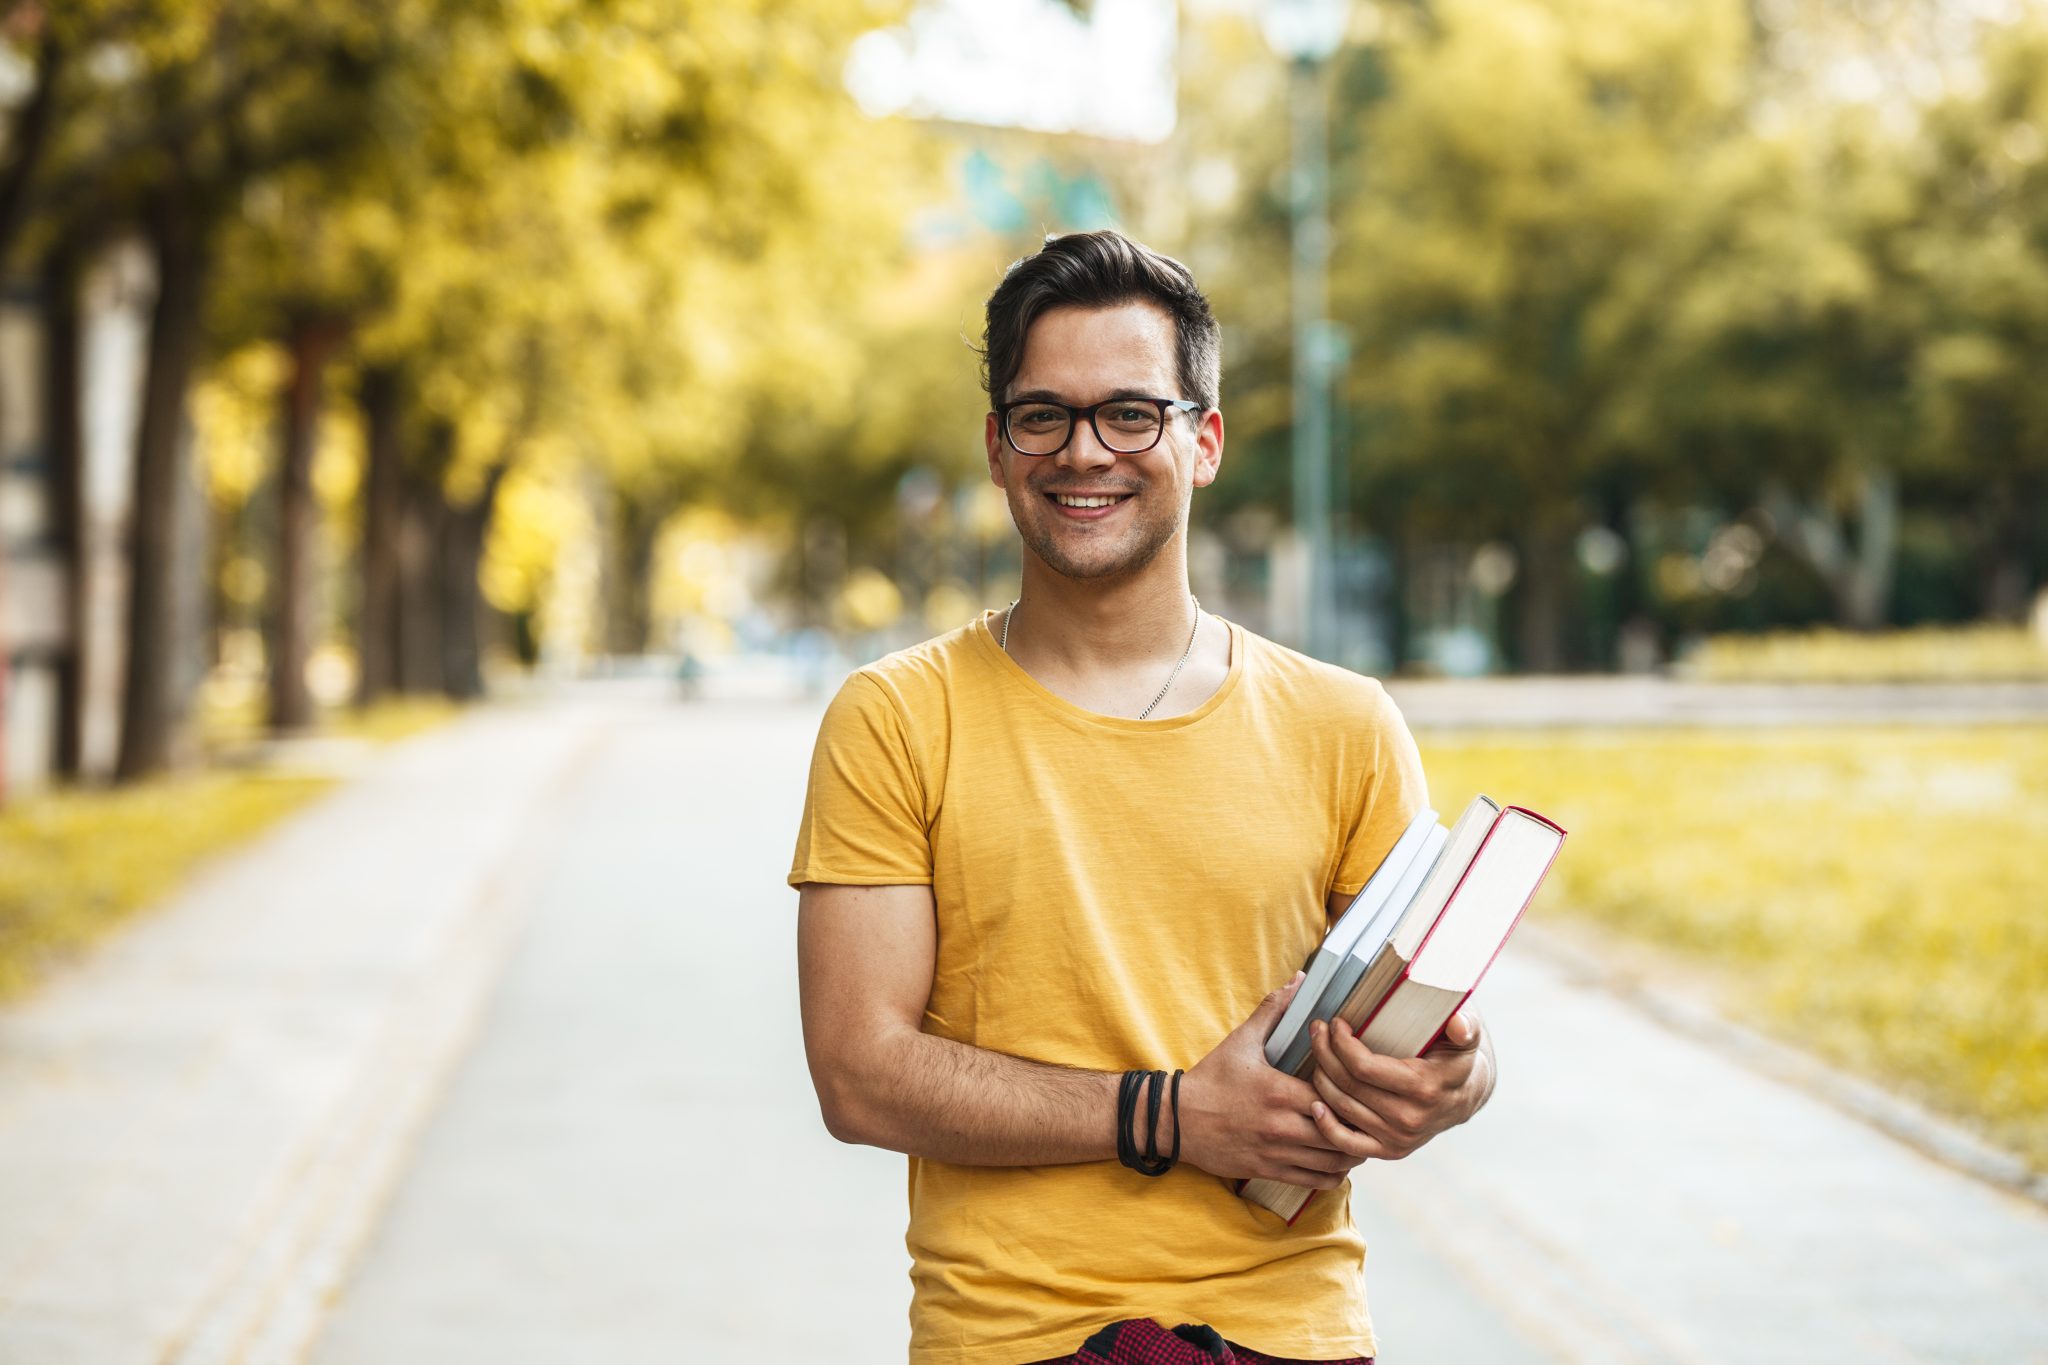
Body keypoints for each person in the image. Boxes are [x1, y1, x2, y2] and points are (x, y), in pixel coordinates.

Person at [790, 230, 1496, 1365]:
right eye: (1043, 416)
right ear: (996, 445)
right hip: (1014, 1339)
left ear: (1202, 440)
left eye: (1130, 413)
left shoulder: (1345, 724)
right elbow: (857, 1074)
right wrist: (1164, 1115)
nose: (1084, 452)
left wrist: (1453, 1082)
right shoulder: (894, 717)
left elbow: (1426, 1027)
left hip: (1290, 1332)